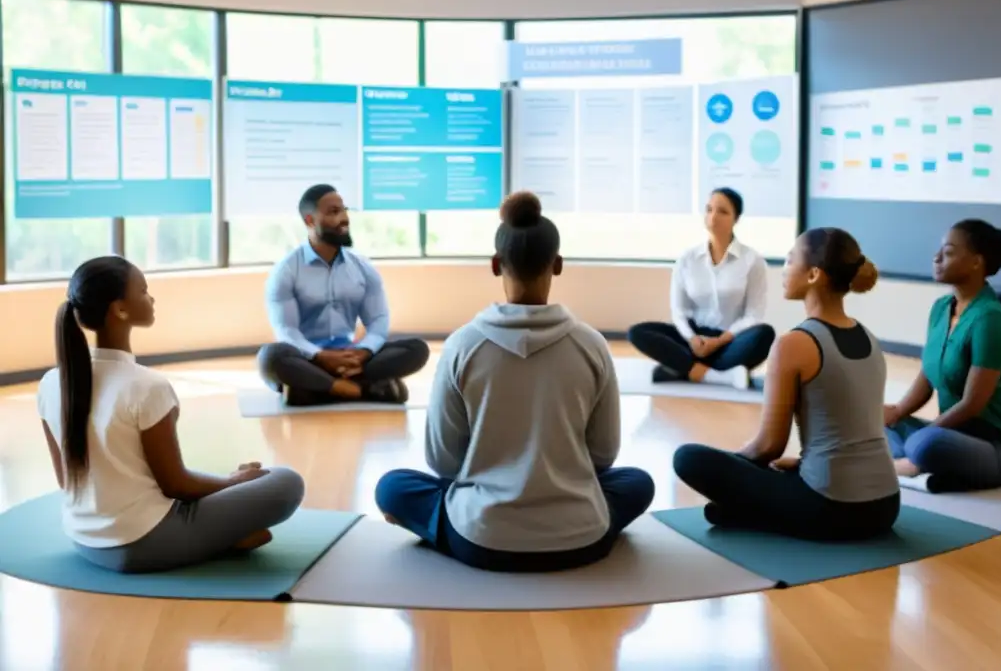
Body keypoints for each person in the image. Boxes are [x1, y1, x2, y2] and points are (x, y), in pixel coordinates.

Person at [375, 191, 655, 572]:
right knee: (637, 482)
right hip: (581, 538)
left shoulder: (462, 344)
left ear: (495, 264)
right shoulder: (592, 344)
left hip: (483, 539)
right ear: (557, 265)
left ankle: (441, 525)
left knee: (392, 488)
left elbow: (443, 461)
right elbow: (603, 455)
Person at [36, 256, 305, 574]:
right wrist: (234, 482)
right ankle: (224, 538)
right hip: (141, 543)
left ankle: (223, 534)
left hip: (83, 540)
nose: (151, 298)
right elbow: (177, 486)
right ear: (120, 310)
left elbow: (66, 480)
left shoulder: (51, 382)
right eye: (143, 290)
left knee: (214, 483)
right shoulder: (147, 386)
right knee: (286, 482)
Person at [673, 228, 900, 541]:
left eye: (791, 259)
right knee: (775, 474)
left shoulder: (793, 344)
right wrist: (803, 463)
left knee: (688, 458)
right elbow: (852, 432)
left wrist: (735, 468)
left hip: (833, 508)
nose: (785, 267)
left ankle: (747, 512)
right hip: (886, 506)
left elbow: (769, 446)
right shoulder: (870, 339)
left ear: (813, 275)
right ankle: (749, 511)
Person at [257, 184, 430, 406]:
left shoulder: (362, 267)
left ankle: (315, 389)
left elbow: (378, 320)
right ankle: (363, 388)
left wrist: (364, 351)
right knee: (271, 357)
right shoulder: (287, 270)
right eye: (333, 212)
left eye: (344, 210)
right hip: (308, 359)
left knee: (416, 348)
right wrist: (320, 357)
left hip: (353, 357)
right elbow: (287, 331)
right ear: (310, 221)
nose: (344, 218)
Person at [885, 220, 1001, 492]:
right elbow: (927, 373)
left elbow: (972, 404)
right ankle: (921, 468)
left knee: (925, 444)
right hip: (950, 434)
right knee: (876, 424)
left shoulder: (989, 319)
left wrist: (928, 432)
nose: (936, 258)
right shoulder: (941, 309)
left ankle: (906, 464)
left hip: (991, 447)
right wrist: (897, 412)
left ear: (976, 262)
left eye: (947, 252)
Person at [627, 187, 776, 390]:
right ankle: (717, 375)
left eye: (722, 211)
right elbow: (679, 311)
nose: (713, 216)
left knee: (764, 334)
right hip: (693, 340)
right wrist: (692, 338)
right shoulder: (687, 259)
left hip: (730, 341)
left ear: (736, 218)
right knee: (637, 332)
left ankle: (683, 368)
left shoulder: (753, 261)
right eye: (709, 209)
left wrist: (720, 341)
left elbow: (753, 315)